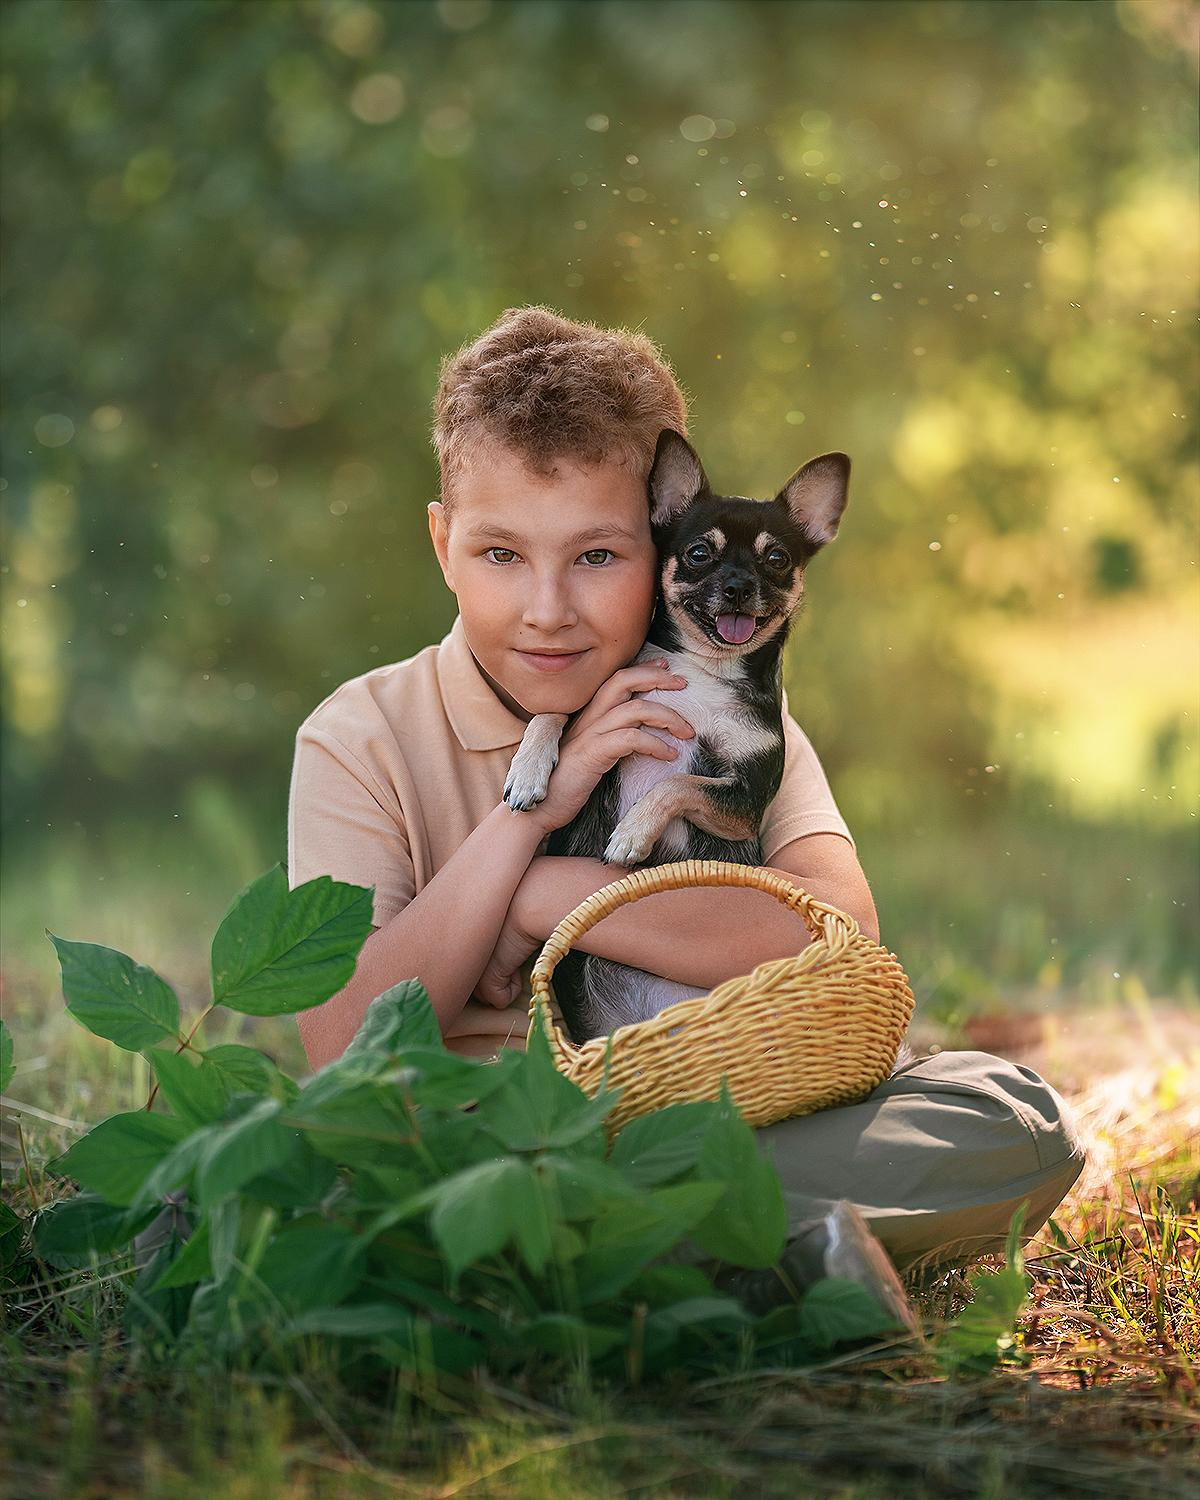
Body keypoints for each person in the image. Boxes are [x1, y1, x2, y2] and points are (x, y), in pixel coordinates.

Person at [286, 306, 1085, 1322]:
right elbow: (346, 1047)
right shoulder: (361, 735)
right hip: (486, 1134)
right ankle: (732, 1255)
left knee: (1009, 1115)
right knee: (369, 1170)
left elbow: (841, 939)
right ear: (443, 545)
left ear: (664, 539)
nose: (547, 609)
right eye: (500, 555)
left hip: (721, 1110)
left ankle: (609, 1267)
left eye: (597, 557)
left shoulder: (728, 712)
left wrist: (548, 897)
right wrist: (528, 822)